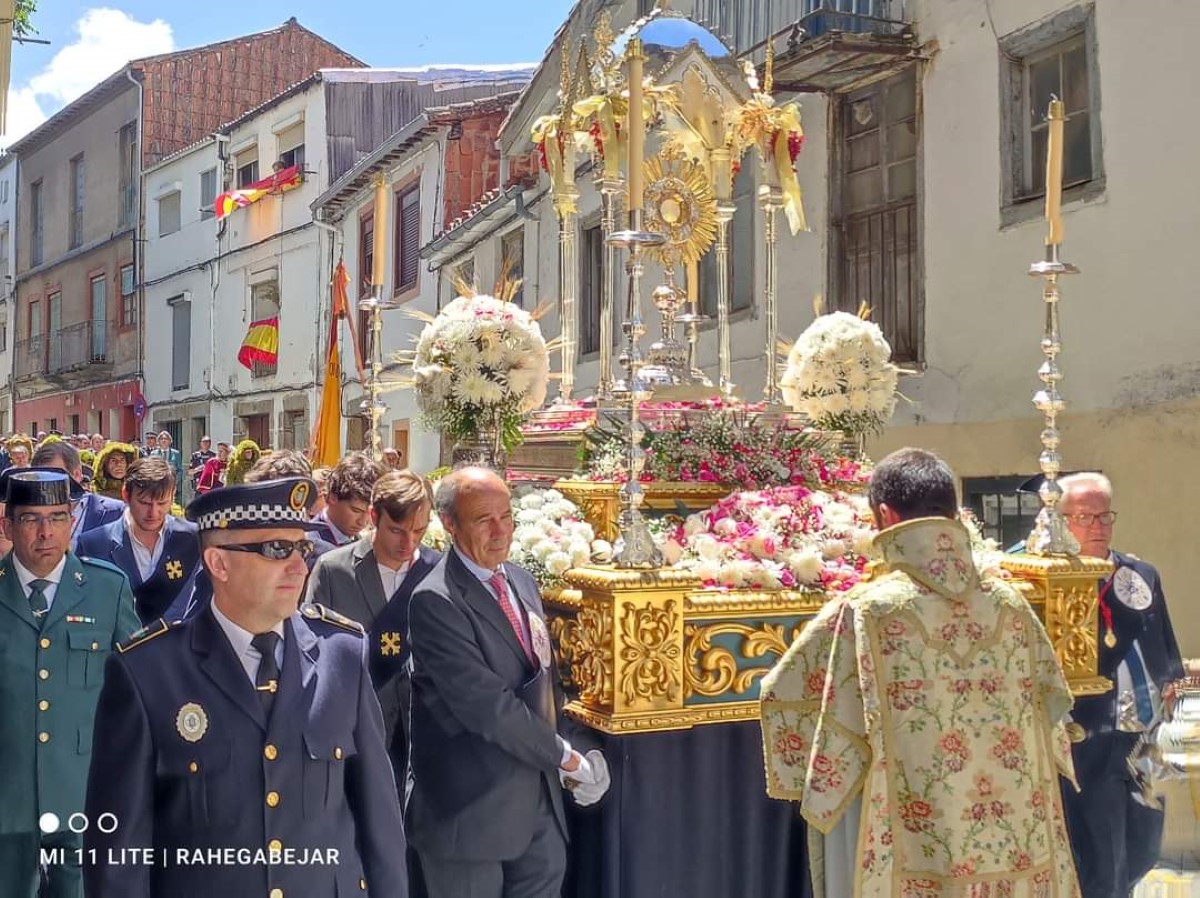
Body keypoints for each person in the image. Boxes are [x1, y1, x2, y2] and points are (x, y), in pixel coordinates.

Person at [760, 448, 1081, 898]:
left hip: (911, 849)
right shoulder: (1013, 605)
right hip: (1017, 853)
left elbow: (784, 693)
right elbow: (1054, 710)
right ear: (953, 513)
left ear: (885, 515)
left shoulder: (868, 611)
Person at [82, 477, 409, 898]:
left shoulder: (342, 654)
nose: (299, 566)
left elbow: (380, 825)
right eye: (277, 549)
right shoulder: (147, 672)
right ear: (218, 563)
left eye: (303, 548)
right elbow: (117, 857)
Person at [406, 467, 609, 898]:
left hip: (538, 812)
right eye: (484, 520)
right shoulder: (436, 600)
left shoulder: (520, 580)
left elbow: (545, 683)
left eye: (507, 516)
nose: (501, 532)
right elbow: (489, 708)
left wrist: (577, 743)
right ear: (449, 524)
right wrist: (565, 757)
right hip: (470, 818)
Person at [0, 469, 139, 898]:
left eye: (58, 518)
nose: (46, 533)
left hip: (84, 795)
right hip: (7, 799)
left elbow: (136, 691)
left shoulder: (107, 588)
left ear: (72, 521)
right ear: (7, 525)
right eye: (31, 519)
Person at [1056, 472, 1187, 898]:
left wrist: (1172, 686)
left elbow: (1162, 640)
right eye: (1084, 517)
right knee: (1101, 856)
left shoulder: (1140, 573)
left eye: (1104, 515)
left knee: (1140, 846)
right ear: (1061, 520)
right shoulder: (1054, 581)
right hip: (1088, 736)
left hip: (1142, 736)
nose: (1097, 526)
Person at [307, 471, 439, 775]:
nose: (408, 543)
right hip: (354, 731)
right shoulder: (333, 570)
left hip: (421, 733)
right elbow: (311, 651)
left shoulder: (439, 572)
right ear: (373, 516)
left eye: (419, 531)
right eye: (396, 530)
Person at [76, 458, 201, 625]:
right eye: (144, 503)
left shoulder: (193, 539)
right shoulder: (93, 545)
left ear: (173, 496)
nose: (153, 513)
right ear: (126, 495)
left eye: (162, 503)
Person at [31, 440, 124, 549]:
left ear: (77, 474)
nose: (45, 485)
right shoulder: (28, 516)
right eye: (40, 478)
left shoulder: (116, 512)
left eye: (54, 476)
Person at [312, 452, 385, 547]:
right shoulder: (310, 545)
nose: (363, 522)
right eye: (356, 510)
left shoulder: (362, 543)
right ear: (333, 497)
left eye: (370, 513)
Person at [153, 431, 184, 505]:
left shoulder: (176, 453)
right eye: (161, 439)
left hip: (172, 485)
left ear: (170, 441)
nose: (164, 440)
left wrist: (174, 482)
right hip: (158, 484)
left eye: (166, 439)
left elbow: (180, 470)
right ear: (158, 441)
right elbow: (152, 469)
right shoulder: (153, 453)